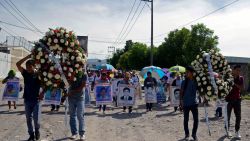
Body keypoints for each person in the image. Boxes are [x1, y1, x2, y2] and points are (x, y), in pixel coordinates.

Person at [16, 54, 42, 141]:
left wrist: (43, 93)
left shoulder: (38, 74)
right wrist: (28, 57)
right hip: (27, 100)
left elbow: (45, 84)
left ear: (34, 66)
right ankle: (31, 134)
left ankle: (37, 131)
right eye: (27, 67)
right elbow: (18, 64)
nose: (28, 69)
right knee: (28, 118)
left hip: (36, 100)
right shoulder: (26, 74)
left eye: (30, 67)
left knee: (36, 119)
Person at [180, 66, 199, 141]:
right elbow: (181, 92)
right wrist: (181, 101)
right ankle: (187, 134)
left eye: (187, 72)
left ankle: (194, 134)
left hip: (194, 103)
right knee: (186, 120)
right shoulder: (184, 82)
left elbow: (200, 91)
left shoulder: (196, 81)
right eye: (186, 72)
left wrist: (204, 98)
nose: (186, 73)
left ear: (192, 73)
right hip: (186, 104)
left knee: (196, 120)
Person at [225, 65, 244, 139]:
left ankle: (237, 131)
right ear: (233, 70)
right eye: (237, 70)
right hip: (228, 100)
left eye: (239, 70)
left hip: (237, 100)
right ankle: (227, 130)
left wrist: (234, 83)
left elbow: (242, 88)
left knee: (238, 116)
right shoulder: (228, 77)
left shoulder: (241, 78)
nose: (238, 72)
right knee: (227, 116)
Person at [67, 72, 87, 141]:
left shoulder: (83, 74)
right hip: (71, 98)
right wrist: (70, 78)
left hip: (80, 98)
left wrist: (72, 92)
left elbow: (82, 87)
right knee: (72, 115)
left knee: (80, 115)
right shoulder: (69, 72)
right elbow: (67, 84)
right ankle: (74, 133)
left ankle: (82, 134)